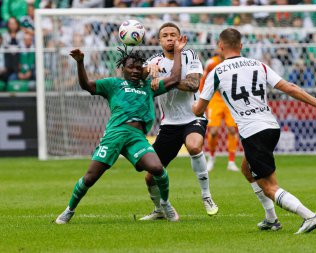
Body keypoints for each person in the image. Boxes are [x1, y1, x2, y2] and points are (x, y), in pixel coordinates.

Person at [193, 28, 316, 234]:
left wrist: (189, 104)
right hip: (271, 127)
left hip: (253, 131)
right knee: (246, 169)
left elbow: (199, 110)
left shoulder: (217, 71)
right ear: (241, 45)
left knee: (270, 187)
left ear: (220, 46)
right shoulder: (258, 64)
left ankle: (309, 216)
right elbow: (289, 87)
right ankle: (271, 219)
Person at [55, 35, 188, 224]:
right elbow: (87, 86)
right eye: (130, 67)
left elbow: (174, 79)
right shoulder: (113, 84)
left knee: (157, 168)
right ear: (122, 69)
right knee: (91, 177)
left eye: (138, 67)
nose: (134, 70)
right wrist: (80, 62)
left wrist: (178, 51)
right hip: (115, 134)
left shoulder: (149, 86)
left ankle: (165, 204)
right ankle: (69, 210)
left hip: (136, 137)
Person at [140, 22, 218, 220]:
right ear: (159, 40)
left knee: (194, 146)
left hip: (193, 117)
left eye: (173, 34)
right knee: (150, 175)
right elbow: (137, 79)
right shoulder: (153, 61)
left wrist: (164, 82)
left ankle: (206, 195)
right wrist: (146, 73)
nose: (169, 38)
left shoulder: (189, 55)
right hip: (169, 124)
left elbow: (193, 84)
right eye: (165, 35)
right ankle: (158, 210)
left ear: (180, 37)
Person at [199, 50, 239, 172]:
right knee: (214, 131)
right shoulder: (211, 63)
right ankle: (211, 158)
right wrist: (201, 98)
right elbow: (204, 80)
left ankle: (231, 161)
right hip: (215, 100)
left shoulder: (234, 62)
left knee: (232, 130)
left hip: (230, 99)